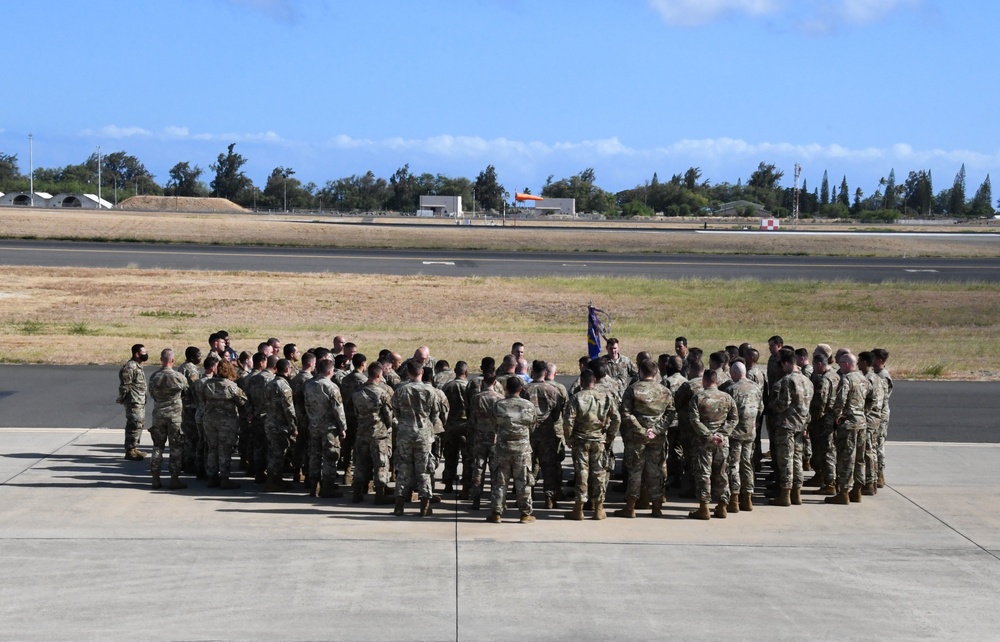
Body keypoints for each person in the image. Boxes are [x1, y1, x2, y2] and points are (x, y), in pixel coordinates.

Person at [616, 359, 675, 518]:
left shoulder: (632, 390)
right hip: (657, 437)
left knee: (635, 471)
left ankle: (630, 507)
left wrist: (641, 430)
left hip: (637, 437)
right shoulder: (665, 391)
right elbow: (670, 413)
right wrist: (656, 430)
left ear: (641, 371)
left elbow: (625, 413)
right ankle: (656, 506)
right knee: (655, 471)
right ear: (655, 373)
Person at [562, 369, 620, 521]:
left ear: (581, 382)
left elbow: (568, 421)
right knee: (599, 473)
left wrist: (569, 438)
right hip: (599, 440)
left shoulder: (577, 397)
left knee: (582, 473)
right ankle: (598, 509)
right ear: (594, 381)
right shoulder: (606, 397)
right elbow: (616, 418)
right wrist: (609, 436)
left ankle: (579, 509)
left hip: (581, 440)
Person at [391, 360, 444, 517]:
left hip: (405, 433)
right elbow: (436, 415)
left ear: (408, 373)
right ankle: (425, 505)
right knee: (424, 469)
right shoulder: (431, 391)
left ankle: (399, 504)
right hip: (423, 434)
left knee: (403, 468)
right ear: (422, 373)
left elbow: (396, 412)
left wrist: (405, 422)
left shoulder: (400, 391)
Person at [486, 376, 538, 524]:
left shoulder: (498, 405)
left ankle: (496, 512)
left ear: (506, 389)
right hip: (522, 450)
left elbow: (494, 424)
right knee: (523, 481)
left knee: (500, 482)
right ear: (520, 389)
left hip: (503, 449)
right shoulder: (528, 406)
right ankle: (525, 514)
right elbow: (532, 426)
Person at [687, 369, 738, 520]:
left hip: (704, 442)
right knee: (722, 473)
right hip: (722, 442)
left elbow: (694, 420)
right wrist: (722, 434)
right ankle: (722, 506)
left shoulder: (698, 398)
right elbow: (734, 419)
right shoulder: (727, 398)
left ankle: (704, 507)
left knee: (704, 473)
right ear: (717, 381)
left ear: (704, 380)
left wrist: (709, 435)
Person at [768, 351, 814, 507]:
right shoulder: (808, 381)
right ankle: (797, 493)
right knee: (797, 459)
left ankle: (785, 494)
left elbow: (783, 404)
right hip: (801, 425)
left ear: (787, 363)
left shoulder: (788, 381)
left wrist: (772, 405)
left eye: (782, 364)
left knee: (786, 459)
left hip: (786, 425)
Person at [826, 353, 870, 505]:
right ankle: (856, 491)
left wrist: (837, 416)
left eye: (841, 364)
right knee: (859, 458)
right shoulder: (863, 378)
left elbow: (840, 400)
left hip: (849, 424)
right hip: (862, 422)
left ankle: (843, 492)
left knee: (846, 458)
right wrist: (862, 412)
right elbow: (871, 399)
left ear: (846, 364)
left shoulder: (847, 379)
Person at [523, 360, 566, 509]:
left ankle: (528, 495)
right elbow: (557, 413)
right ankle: (549, 498)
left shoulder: (525, 390)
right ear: (545, 373)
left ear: (532, 371)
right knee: (548, 467)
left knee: (529, 465)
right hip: (548, 432)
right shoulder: (553, 390)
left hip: (529, 433)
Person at [351, 362, 395, 505]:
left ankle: (357, 493)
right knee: (381, 464)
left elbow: (356, 413)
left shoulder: (357, 392)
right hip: (379, 434)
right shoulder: (382, 393)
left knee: (360, 463)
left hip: (362, 432)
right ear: (379, 375)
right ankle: (380, 494)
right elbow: (388, 416)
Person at [201, 354, 247, 489]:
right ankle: (225, 478)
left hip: (209, 420)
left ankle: (212, 477)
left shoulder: (207, 385)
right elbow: (243, 401)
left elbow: (202, 399)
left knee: (212, 448)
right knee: (224, 450)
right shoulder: (231, 386)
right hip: (226, 422)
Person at [304, 358, 348, 498]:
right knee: (330, 457)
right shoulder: (332, 387)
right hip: (329, 427)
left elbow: (306, 405)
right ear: (330, 371)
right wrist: (343, 427)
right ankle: (327, 487)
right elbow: (338, 409)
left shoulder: (308, 385)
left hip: (314, 425)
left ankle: (314, 485)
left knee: (314, 456)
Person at [147, 348, 189, 490]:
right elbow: (187, 393)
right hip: (175, 417)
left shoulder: (154, 377)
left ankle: (155, 477)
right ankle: (174, 478)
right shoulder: (179, 377)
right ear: (173, 361)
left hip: (158, 416)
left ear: (161, 360)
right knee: (175, 448)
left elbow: (152, 393)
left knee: (157, 447)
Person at [725, 362, 762, 512]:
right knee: (747, 463)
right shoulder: (756, 388)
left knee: (734, 464)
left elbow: (728, 412)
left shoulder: (731, 389)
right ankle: (747, 498)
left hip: (735, 433)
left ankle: (734, 498)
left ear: (734, 374)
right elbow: (760, 408)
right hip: (750, 431)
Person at [467, 369, 504, 511]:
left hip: (480, 437)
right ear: (495, 382)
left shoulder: (477, 398)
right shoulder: (500, 398)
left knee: (478, 468)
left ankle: (476, 499)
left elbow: (472, 419)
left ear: (483, 382)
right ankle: (496, 499)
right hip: (495, 438)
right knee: (496, 469)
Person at [263, 359, 297, 492]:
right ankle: (273, 481)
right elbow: (289, 409)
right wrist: (294, 426)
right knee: (279, 454)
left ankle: (274, 479)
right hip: (280, 425)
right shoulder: (284, 386)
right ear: (287, 369)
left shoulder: (269, 383)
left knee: (273, 452)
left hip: (270, 422)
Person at [440, 362, 470, 495]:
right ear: (466, 372)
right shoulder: (469, 386)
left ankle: (448, 484)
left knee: (450, 456)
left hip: (451, 425)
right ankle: (465, 487)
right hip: (465, 426)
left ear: (455, 371)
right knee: (466, 457)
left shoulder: (447, 386)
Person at [117, 343, 149, 461]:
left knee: (139, 424)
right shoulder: (130, 367)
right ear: (137, 354)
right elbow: (125, 386)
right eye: (144, 353)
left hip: (139, 400)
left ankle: (134, 448)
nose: (146, 355)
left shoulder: (137, 366)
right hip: (133, 401)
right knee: (134, 425)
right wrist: (122, 397)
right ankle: (130, 451)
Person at [178, 346, 202, 476]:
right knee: (192, 436)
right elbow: (195, 386)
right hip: (191, 405)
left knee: (187, 434)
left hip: (185, 403)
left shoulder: (183, 366)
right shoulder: (191, 369)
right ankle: (189, 463)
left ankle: (185, 461)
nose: (200, 358)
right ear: (192, 357)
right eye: (199, 355)